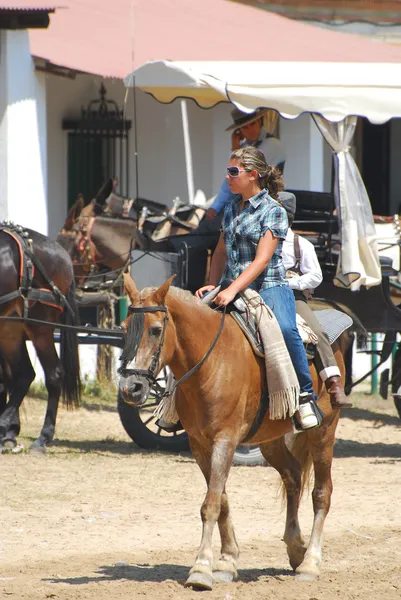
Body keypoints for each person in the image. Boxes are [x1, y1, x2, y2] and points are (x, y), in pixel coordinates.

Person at [195, 145, 320, 430]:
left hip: (270, 287)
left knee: (287, 329)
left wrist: (231, 290)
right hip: (229, 285)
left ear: (252, 175)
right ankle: (177, 398)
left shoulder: (273, 211)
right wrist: (213, 285)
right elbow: (220, 253)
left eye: (232, 172)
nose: (227, 177)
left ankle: (304, 396)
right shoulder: (229, 209)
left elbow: (263, 259)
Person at [279, 192, 352, 409]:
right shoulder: (259, 240)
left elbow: (315, 276)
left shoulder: (301, 245)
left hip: (292, 297)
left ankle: (333, 383)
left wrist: (290, 283)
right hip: (259, 292)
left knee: (315, 331)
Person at [205, 107, 286, 223]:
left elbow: (239, 179)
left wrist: (235, 149)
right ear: (239, 131)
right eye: (244, 127)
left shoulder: (273, 145)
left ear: (260, 122)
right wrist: (215, 207)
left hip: (263, 208)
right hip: (243, 206)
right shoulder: (244, 148)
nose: (250, 130)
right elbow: (231, 180)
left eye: (252, 124)